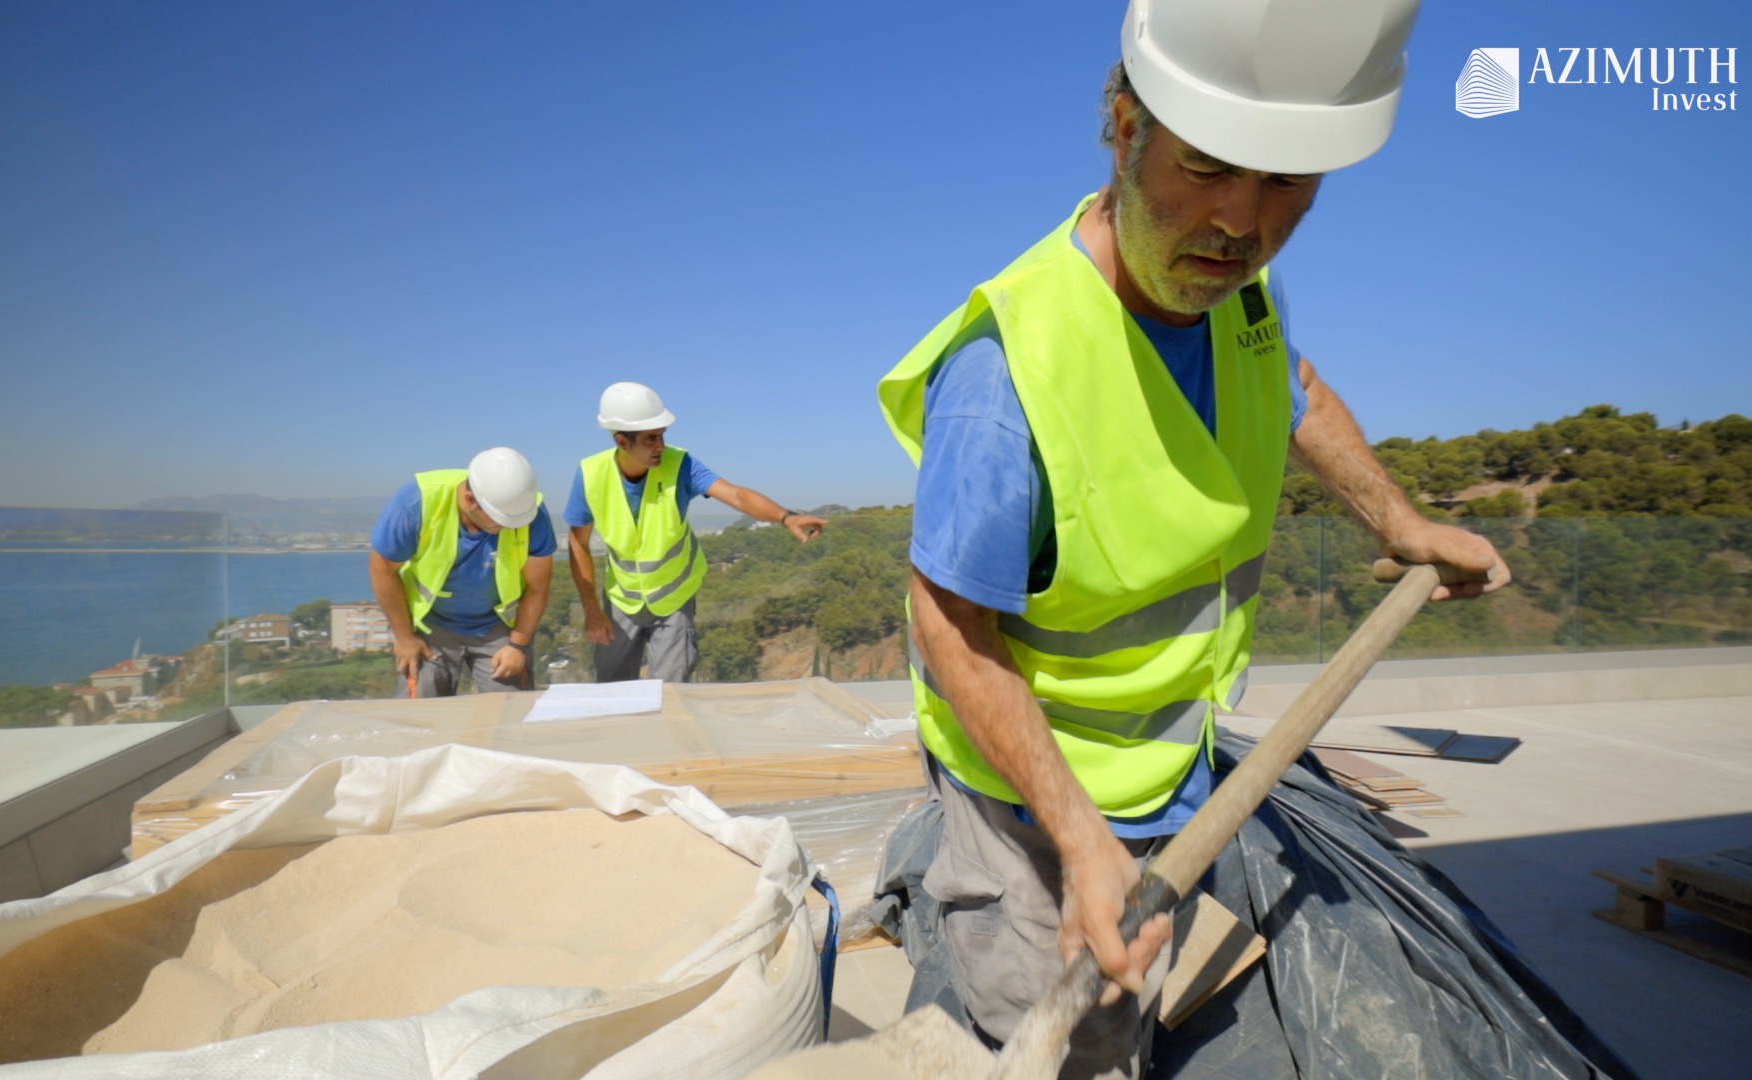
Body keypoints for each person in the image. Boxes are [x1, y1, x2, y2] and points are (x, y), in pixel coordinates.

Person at [877, 2, 1511, 1076]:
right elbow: (951, 627)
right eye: (1207, 166)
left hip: (1172, 766)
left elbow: (1293, 387)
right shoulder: (1005, 376)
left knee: (1136, 1003)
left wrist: (1399, 522)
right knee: (1065, 1044)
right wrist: (1078, 839)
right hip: (1034, 797)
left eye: (1286, 181)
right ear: (1124, 127)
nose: (1241, 223)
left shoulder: (1238, 292)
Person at [565, 381, 828, 682]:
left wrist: (786, 517)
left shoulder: (681, 465)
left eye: (662, 435)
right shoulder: (590, 474)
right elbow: (577, 544)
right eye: (651, 439)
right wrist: (592, 610)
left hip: (674, 600)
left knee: (671, 693)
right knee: (612, 691)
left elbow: (736, 495)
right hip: (621, 601)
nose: (660, 446)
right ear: (622, 442)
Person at [368, 447, 555, 697]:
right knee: (419, 708)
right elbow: (382, 568)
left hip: (497, 626)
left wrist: (517, 646)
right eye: (499, 519)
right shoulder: (417, 501)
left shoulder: (529, 512)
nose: (508, 526)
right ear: (469, 499)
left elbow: (538, 586)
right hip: (430, 625)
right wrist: (405, 638)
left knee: (510, 707)